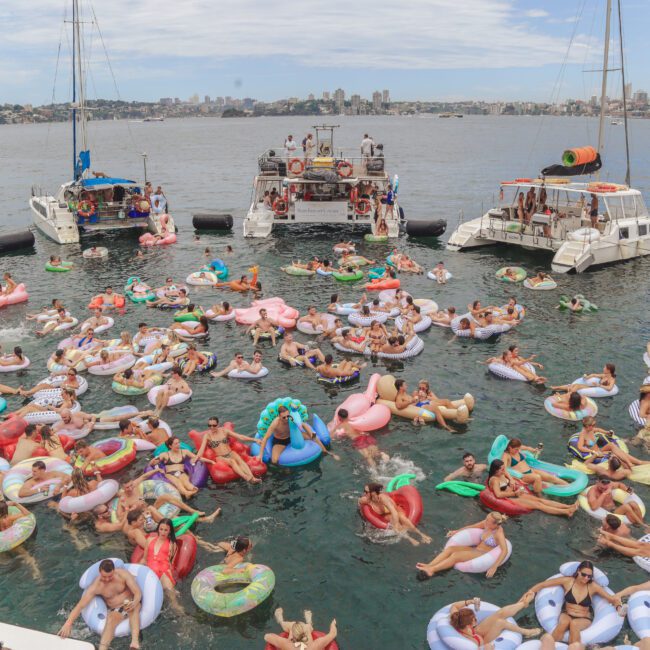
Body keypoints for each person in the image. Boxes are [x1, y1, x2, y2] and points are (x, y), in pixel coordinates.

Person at [522, 560, 622, 644]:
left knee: (574, 624)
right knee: (564, 622)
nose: (586, 578)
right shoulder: (568, 581)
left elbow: (612, 599)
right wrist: (528, 594)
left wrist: (619, 607)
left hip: (584, 618)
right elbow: (543, 585)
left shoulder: (593, 586)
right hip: (567, 613)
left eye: (589, 576)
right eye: (584, 574)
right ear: (578, 571)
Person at [58, 558, 142, 650]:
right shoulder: (96, 586)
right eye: (104, 576)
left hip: (131, 602)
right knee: (111, 619)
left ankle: (134, 643)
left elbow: (137, 592)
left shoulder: (123, 574)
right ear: (100, 572)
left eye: (110, 576)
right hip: (116, 609)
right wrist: (68, 623)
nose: (106, 579)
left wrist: (134, 602)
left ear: (114, 571)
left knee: (135, 607)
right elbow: (80, 605)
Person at [416, 513, 510, 578]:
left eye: (488, 520)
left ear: (495, 524)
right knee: (450, 549)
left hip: (483, 553)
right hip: (476, 549)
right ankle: (429, 565)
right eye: (486, 518)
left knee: (456, 556)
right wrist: (457, 531)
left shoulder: (498, 533)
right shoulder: (486, 524)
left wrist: (494, 566)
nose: (485, 521)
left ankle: (432, 570)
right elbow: (472, 526)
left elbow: (504, 550)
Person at [486, 460, 578, 517]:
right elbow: (498, 494)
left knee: (540, 500)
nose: (504, 470)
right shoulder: (495, 480)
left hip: (516, 494)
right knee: (538, 505)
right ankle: (566, 512)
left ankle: (568, 506)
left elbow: (507, 474)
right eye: (502, 469)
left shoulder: (501, 473)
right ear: (496, 470)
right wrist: (514, 494)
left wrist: (511, 481)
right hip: (510, 499)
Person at [255, 405, 339, 465]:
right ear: (279, 416)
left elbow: (308, 430)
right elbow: (265, 438)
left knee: (312, 436)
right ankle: (283, 473)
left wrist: (312, 434)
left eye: (287, 416)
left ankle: (327, 452)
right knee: (274, 460)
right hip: (280, 441)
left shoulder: (292, 418)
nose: (286, 419)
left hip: (292, 436)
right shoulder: (275, 423)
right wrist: (260, 455)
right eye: (283, 417)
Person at [358, 483, 431, 546]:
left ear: (373, 493)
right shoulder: (365, 500)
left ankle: (421, 534)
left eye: (366, 492)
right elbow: (360, 505)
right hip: (386, 515)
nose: (364, 493)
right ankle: (410, 539)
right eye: (364, 491)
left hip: (396, 510)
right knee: (393, 523)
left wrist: (396, 523)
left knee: (402, 518)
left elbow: (394, 511)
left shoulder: (382, 498)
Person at [194, 416, 262, 483]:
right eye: (209, 425)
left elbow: (240, 437)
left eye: (214, 425)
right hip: (219, 457)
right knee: (232, 461)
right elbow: (202, 449)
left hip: (230, 452)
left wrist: (254, 439)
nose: (211, 427)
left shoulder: (224, 431)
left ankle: (252, 477)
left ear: (218, 424)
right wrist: (196, 457)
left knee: (240, 460)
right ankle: (246, 477)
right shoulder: (207, 436)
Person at [140, 519, 183, 613]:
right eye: (161, 529)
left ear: (170, 531)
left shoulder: (172, 545)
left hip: (163, 571)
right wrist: (138, 569)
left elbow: (170, 563)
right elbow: (144, 558)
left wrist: (170, 576)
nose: (163, 532)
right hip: (150, 570)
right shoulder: (150, 540)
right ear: (158, 529)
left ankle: (184, 619)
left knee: (174, 603)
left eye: (166, 530)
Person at [575, 416, 648, 468]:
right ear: (588, 426)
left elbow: (598, 430)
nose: (594, 426)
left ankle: (637, 462)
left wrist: (607, 432)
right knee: (615, 453)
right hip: (595, 454)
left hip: (600, 450)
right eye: (593, 425)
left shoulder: (591, 429)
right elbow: (580, 447)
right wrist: (592, 451)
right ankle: (632, 463)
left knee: (611, 445)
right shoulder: (583, 434)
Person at [502, 438, 566, 495]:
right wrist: (511, 479)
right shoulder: (506, 455)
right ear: (510, 448)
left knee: (550, 477)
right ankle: (539, 496)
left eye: (519, 449)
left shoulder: (518, 448)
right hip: (523, 476)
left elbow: (527, 448)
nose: (518, 450)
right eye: (516, 449)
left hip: (531, 470)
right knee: (537, 477)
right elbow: (504, 469)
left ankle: (568, 485)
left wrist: (534, 450)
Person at [0, 501, 41, 579]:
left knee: (4, 559)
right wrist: (16, 504)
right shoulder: (9, 519)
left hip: (6, 545)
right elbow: (28, 514)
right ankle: (36, 571)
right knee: (26, 555)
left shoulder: (8, 519)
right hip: (14, 542)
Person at [264, 608, 338, 650]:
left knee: (292, 625)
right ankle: (309, 623)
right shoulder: (315, 646)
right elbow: (333, 634)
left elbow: (267, 637)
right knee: (306, 627)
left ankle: (281, 621)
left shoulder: (287, 645)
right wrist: (333, 624)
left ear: (293, 637)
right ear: (305, 635)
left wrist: (282, 640)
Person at [552, 364, 617, 395]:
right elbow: (594, 375)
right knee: (575, 385)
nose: (603, 368)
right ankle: (557, 387)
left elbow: (609, 388)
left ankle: (565, 396)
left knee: (577, 386)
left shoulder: (612, 379)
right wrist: (587, 377)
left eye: (604, 368)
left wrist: (599, 385)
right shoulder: (604, 375)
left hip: (596, 388)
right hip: (593, 387)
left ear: (608, 370)